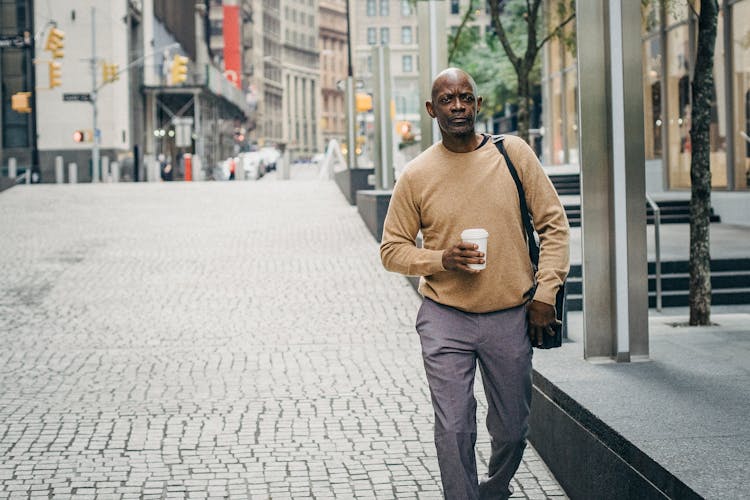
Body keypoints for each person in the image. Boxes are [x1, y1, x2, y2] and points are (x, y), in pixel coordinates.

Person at [380, 68, 569, 500]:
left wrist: (545, 293)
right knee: (453, 427)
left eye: (466, 97)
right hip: (445, 317)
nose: (458, 106)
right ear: (432, 110)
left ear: (478, 104)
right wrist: (440, 259)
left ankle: (494, 489)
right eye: (448, 100)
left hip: (509, 315)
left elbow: (554, 227)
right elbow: (392, 250)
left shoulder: (513, 154)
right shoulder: (416, 174)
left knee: (512, 430)